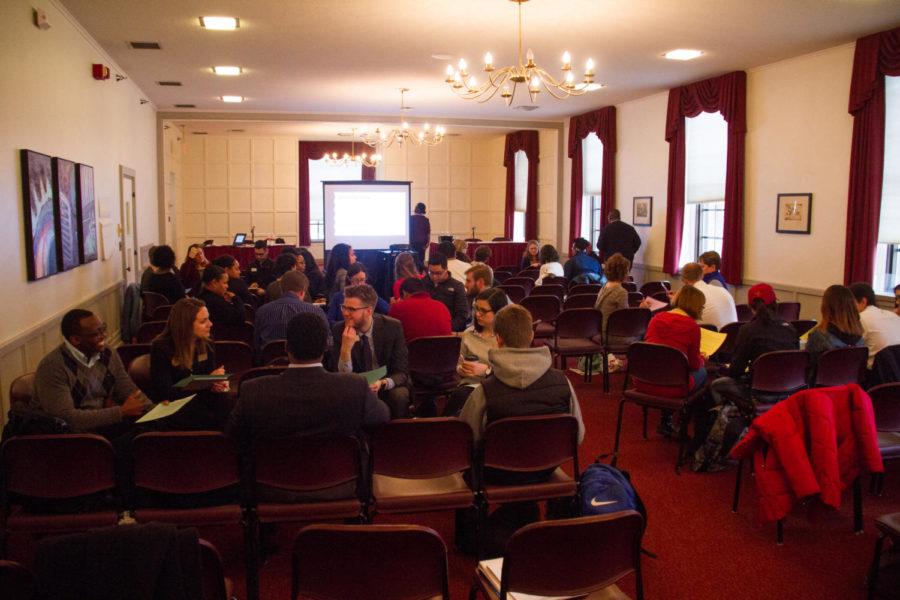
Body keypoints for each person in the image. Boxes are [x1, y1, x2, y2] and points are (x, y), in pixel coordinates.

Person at [227, 312, 389, 500]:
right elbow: (382, 417)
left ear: (286, 347)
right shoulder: (354, 387)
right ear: (326, 347)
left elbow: (232, 435)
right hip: (341, 485)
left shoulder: (253, 391)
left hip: (270, 488)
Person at [459, 304, 585, 457]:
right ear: (531, 335)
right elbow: (578, 436)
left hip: (494, 473)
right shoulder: (563, 383)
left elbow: (465, 441)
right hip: (547, 466)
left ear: (498, 339)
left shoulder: (484, 392)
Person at [15, 309, 151, 435]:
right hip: (67, 438)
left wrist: (154, 410)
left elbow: (127, 388)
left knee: (152, 430)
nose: (103, 336)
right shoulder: (53, 366)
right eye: (96, 334)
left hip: (101, 425)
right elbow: (67, 418)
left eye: (103, 329)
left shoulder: (108, 353)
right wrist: (121, 412)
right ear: (75, 340)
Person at [709, 283, 799, 408]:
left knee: (716, 385)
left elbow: (736, 371)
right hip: (790, 390)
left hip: (759, 392)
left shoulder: (748, 330)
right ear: (775, 304)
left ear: (751, 307)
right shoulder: (790, 328)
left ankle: (726, 418)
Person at [331, 284, 410, 418]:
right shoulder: (339, 330)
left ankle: (397, 435)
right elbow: (340, 379)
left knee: (400, 395)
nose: (345, 313)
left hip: (384, 384)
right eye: (343, 307)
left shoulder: (392, 327)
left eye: (351, 309)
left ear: (368, 311)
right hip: (355, 387)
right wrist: (345, 350)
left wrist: (382, 383)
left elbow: (402, 372)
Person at [149, 298, 229, 429]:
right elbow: (166, 394)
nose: (211, 324)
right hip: (174, 409)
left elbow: (209, 378)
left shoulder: (206, 342)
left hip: (201, 400)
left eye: (208, 319)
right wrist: (206, 381)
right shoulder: (161, 347)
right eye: (203, 321)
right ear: (185, 325)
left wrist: (217, 384)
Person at [642, 285, 707, 437]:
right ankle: (683, 422)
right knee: (701, 372)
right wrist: (702, 359)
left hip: (643, 380)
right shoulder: (692, 327)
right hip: (674, 387)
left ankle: (668, 419)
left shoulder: (655, 319)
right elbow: (693, 365)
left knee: (669, 369)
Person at [445, 288, 508, 416]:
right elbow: (458, 364)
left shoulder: (507, 336)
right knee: (463, 395)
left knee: (464, 398)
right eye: (476, 308)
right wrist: (460, 369)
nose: (477, 314)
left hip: (499, 387)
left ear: (499, 312)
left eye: (483, 311)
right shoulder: (469, 334)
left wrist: (487, 371)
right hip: (471, 384)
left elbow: (512, 370)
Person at [254, 271, 330, 353]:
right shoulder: (316, 312)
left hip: (269, 362)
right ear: (302, 292)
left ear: (281, 289)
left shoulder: (262, 312)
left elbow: (256, 345)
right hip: (305, 362)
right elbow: (327, 343)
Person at [806, 285, 865, 379]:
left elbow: (809, 371)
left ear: (825, 308)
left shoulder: (818, 336)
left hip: (821, 391)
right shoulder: (861, 341)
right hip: (850, 390)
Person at [594, 253, 636, 371]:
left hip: (600, 331)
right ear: (624, 272)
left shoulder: (604, 286)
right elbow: (624, 318)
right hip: (611, 335)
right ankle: (638, 369)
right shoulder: (620, 291)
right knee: (643, 332)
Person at [849, 282, 900, 368]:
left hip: (876, 374)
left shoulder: (861, 319)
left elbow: (852, 351)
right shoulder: (893, 315)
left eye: (850, 303)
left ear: (863, 301)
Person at [388, 277, 452, 343]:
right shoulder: (442, 307)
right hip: (444, 352)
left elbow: (389, 336)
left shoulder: (398, 307)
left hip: (412, 352)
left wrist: (393, 307)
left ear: (404, 293)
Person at [678, 262, 737, 330]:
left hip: (709, 336)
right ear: (702, 275)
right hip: (732, 336)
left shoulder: (691, 296)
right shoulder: (722, 290)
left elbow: (684, 323)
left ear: (684, 280)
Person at [424, 252, 470, 332]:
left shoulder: (457, 286)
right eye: (431, 272)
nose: (434, 276)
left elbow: (462, 316)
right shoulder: (422, 283)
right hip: (425, 329)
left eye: (438, 273)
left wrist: (445, 328)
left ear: (446, 269)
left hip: (448, 330)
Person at [409, 202, 431, 267]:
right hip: (422, 244)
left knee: (412, 261)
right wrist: (427, 243)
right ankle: (420, 275)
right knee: (420, 261)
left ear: (418, 208)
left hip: (412, 243)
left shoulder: (411, 218)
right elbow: (428, 233)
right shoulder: (426, 220)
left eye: (416, 206)